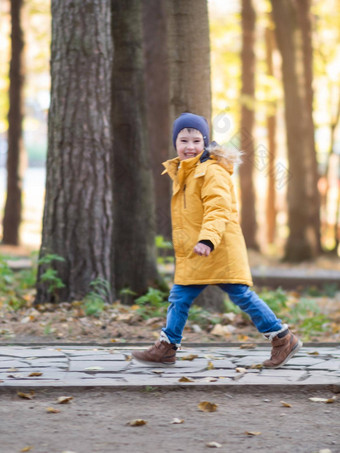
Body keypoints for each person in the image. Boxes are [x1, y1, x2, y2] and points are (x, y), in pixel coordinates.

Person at [132, 112, 302, 368]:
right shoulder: (183, 172)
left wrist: (208, 240)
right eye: (183, 140)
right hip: (197, 251)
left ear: (205, 143)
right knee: (179, 297)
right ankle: (167, 347)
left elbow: (218, 209)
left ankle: (282, 339)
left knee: (241, 295)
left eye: (196, 141)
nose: (190, 147)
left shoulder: (212, 172)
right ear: (175, 143)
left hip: (218, 247)